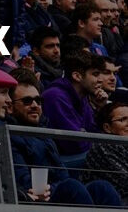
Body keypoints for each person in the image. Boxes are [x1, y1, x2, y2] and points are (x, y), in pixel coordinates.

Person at [8, 71, 121, 205]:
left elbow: (63, 175)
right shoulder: (9, 136)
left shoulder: (44, 134)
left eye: (38, 101)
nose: (35, 105)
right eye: (27, 101)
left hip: (52, 191)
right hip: (35, 199)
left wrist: (54, 187)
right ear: (10, 107)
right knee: (71, 187)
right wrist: (52, 188)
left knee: (101, 188)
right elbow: (24, 182)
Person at [42, 50, 106, 167]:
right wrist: (87, 137)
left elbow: (94, 132)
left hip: (77, 156)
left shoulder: (83, 97)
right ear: (77, 76)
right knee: (104, 156)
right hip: (57, 162)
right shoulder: (55, 96)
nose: (101, 80)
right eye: (95, 74)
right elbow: (75, 144)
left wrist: (100, 109)